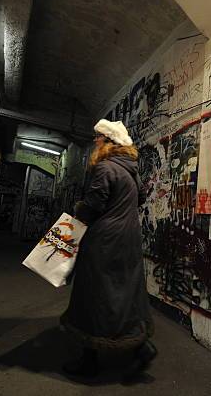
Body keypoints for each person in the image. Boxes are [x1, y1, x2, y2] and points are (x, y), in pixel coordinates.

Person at [60, 119, 156, 379]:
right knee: (125, 292)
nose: (95, 141)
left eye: (98, 137)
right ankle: (140, 347)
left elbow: (94, 205)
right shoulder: (131, 170)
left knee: (92, 294)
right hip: (129, 238)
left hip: (105, 240)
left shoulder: (105, 168)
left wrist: (79, 209)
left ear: (109, 142)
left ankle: (89, 360)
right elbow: (140, 199)